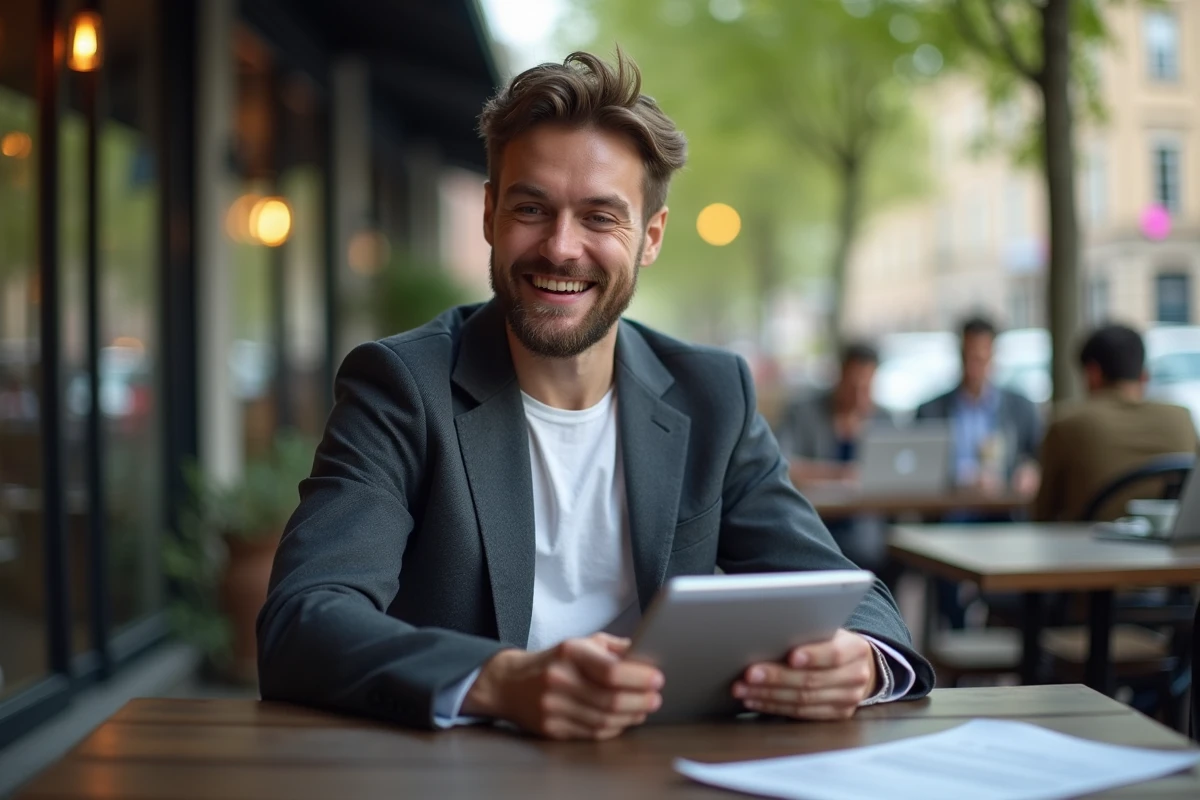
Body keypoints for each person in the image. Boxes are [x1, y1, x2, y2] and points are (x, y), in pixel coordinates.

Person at [257, 51, 932, 742]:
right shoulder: (401, 386)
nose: (560, 247)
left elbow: (853, 596)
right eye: (531, 208)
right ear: (490, 214)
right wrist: (499, 680)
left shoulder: (713, 395)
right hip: (465, 776)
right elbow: (303, 619)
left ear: (650, 239)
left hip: (666, 770)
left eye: (600, 218)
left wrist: (862, 662)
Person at [1033, 324, 1198, 522]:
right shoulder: (1181, 417)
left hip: (1089, 549)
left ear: (1092, 373)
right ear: (1144, 376)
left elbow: (1042, 513)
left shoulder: (1067, 424)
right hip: (1169, 550)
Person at [776, 343, 893, 573]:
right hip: (813, 523)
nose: (859, 394)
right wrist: (840, 473)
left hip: (865, 530)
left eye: (866, 386)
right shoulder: (803, 412)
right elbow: (780, 463)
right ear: (839, 377)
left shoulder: (883, 419)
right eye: (853, 385)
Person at [916, 316, 1041, 495]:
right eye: (969, 357)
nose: (974, 367)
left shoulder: (1020, 408)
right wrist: (960, 481)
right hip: (949, 512)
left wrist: (1030, 470)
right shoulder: (930, 412)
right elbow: (920, 468)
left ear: (993, 355)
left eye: (980, 358)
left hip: (1003, 510)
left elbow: (1037, 455)